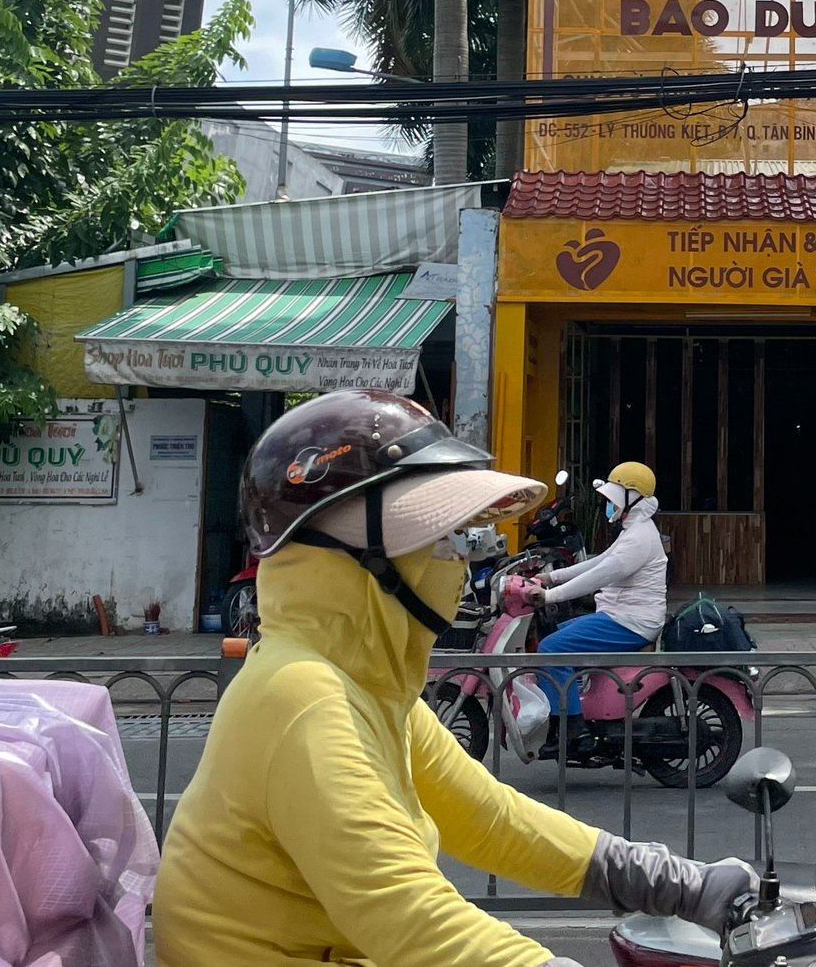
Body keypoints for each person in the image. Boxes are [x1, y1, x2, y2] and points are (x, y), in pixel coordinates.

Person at [152, 393, 751, 967]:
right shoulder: (304, 696)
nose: (460, 558)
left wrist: (681, 885)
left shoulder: (368, 688)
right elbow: (405, 913)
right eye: (442, 538)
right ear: (363, 561)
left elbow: (492, 818)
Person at [527, 461, 668, 719]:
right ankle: (576, 703)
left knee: (550, 648)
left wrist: (550, 595)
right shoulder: (634, 530)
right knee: (551, 634)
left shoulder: (639, 538)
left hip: (630, 621)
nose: (610, 505)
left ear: (631, 499)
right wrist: (549, 577)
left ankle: (569, 726)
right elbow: (598, 561)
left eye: (614, 499)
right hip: (620, 615)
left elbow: (598, 576)